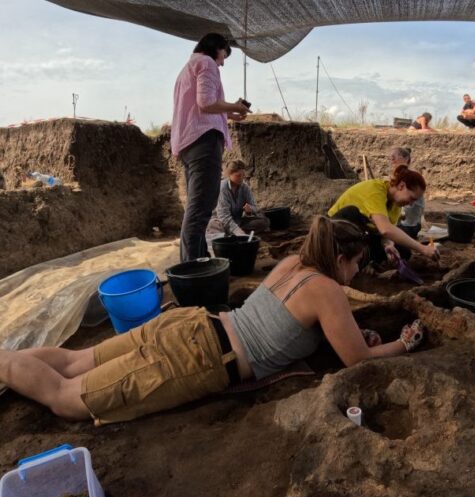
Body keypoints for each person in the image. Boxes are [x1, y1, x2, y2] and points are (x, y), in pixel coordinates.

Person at [0, 218, 426, 425]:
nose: (355, 276)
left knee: (75, 360)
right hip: (199, 357)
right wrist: (402, 345)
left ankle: (7, 359)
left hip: (189, 324)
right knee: (66, 397)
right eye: (355, 266)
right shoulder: (328, 289)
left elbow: (300, 324)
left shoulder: (295, 263)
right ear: (339, 259)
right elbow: (356, 358)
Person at [171, 33, 250, 262]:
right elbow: (205, 103)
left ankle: (198, 257)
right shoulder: (206, 62)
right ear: (217, 47)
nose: (222, 62)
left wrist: (230, 113)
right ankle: (191, 266)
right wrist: (234, 105)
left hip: (189, 142)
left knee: (197, 206)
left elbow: (201, 105)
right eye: (224, 55)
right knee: (201, 207)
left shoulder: (188, 68)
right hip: (203, 141)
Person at [328, 165, 438, 264]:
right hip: (336, 229)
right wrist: (423, 249)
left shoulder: (396, 205)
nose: (411, 204)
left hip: (362, 233)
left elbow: (387, 234)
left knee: (403, 251)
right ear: (401, 186)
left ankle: (366, 261)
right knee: (352, 212)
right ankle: (354, 261)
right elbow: (385, 229)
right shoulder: (375, 191)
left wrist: (388, 245)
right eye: (411, 198)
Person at [205, 160, 270, 244]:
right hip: (220, 221)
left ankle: (231, 235)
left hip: (237, 221)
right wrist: (239, 232)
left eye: (243, 175)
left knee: (264, 221)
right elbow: (223, 216)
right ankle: (229, 236)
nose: (242, 178)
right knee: (213, 226)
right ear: (229, 174)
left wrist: (250, 210)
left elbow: (255, 207)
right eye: (238, 176)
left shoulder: (245, 188)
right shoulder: (222, 188)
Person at [393, 147, 425, 240]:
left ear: (406, 159)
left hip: (408, 227)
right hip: (412, 225)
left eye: (395, 157)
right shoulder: (404, 176)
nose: (392, 160)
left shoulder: (410, 178)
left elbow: (403, 212)